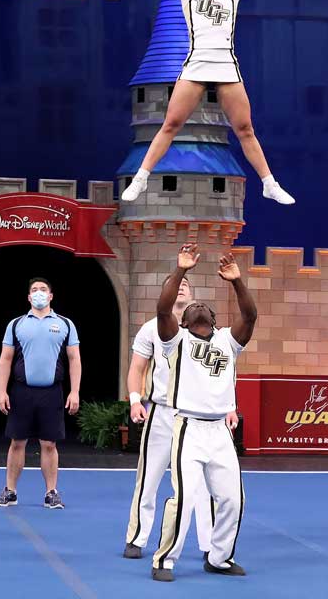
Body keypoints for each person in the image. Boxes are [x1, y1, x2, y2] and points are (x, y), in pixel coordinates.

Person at [122, 0, 294, 206]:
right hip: (195, 67)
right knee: (171, 124)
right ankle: (140, 178)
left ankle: (269, 183)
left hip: (227, 68)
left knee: (245, 129)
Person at [151, 244, 256, 582]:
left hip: (221, 432)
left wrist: (237, 282)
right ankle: (165, 560)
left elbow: (250, 316)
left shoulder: (228, 341)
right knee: (183, 499)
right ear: (183, 321)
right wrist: (180, 270)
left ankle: (220, 556)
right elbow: (162, 309)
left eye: (204, 307)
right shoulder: (176, 340)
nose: (198, 307)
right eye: (192, 307)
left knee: (232, 498)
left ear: (214, 320)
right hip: (188, 428)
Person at [123, 277, 221, 560]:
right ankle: (137, 537)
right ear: (166, 291)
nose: (181, 287)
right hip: (161, 411)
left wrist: (227, 407)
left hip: (196, 415)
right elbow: (137, 368)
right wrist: (134, 400)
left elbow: (220, 372)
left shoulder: (208, 331)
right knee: (149, 477)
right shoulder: (151, 329)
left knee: (204, 483)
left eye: (186, 284)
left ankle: (210, 546)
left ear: (193, 294)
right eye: (176, 283)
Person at [0, 278, 80, 510]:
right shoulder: (16, 324)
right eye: (34, 290)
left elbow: (74, 359)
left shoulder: (65, 324)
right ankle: (10, 491)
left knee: (49, 444)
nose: (39, 293)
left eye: (43, 289)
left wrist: (75, 391)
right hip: (21, 392)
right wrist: (2, 391)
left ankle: (51, 493)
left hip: (52, 393)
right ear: (29, 297)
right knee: (17, 442)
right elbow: (6, 359)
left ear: (51, 296)